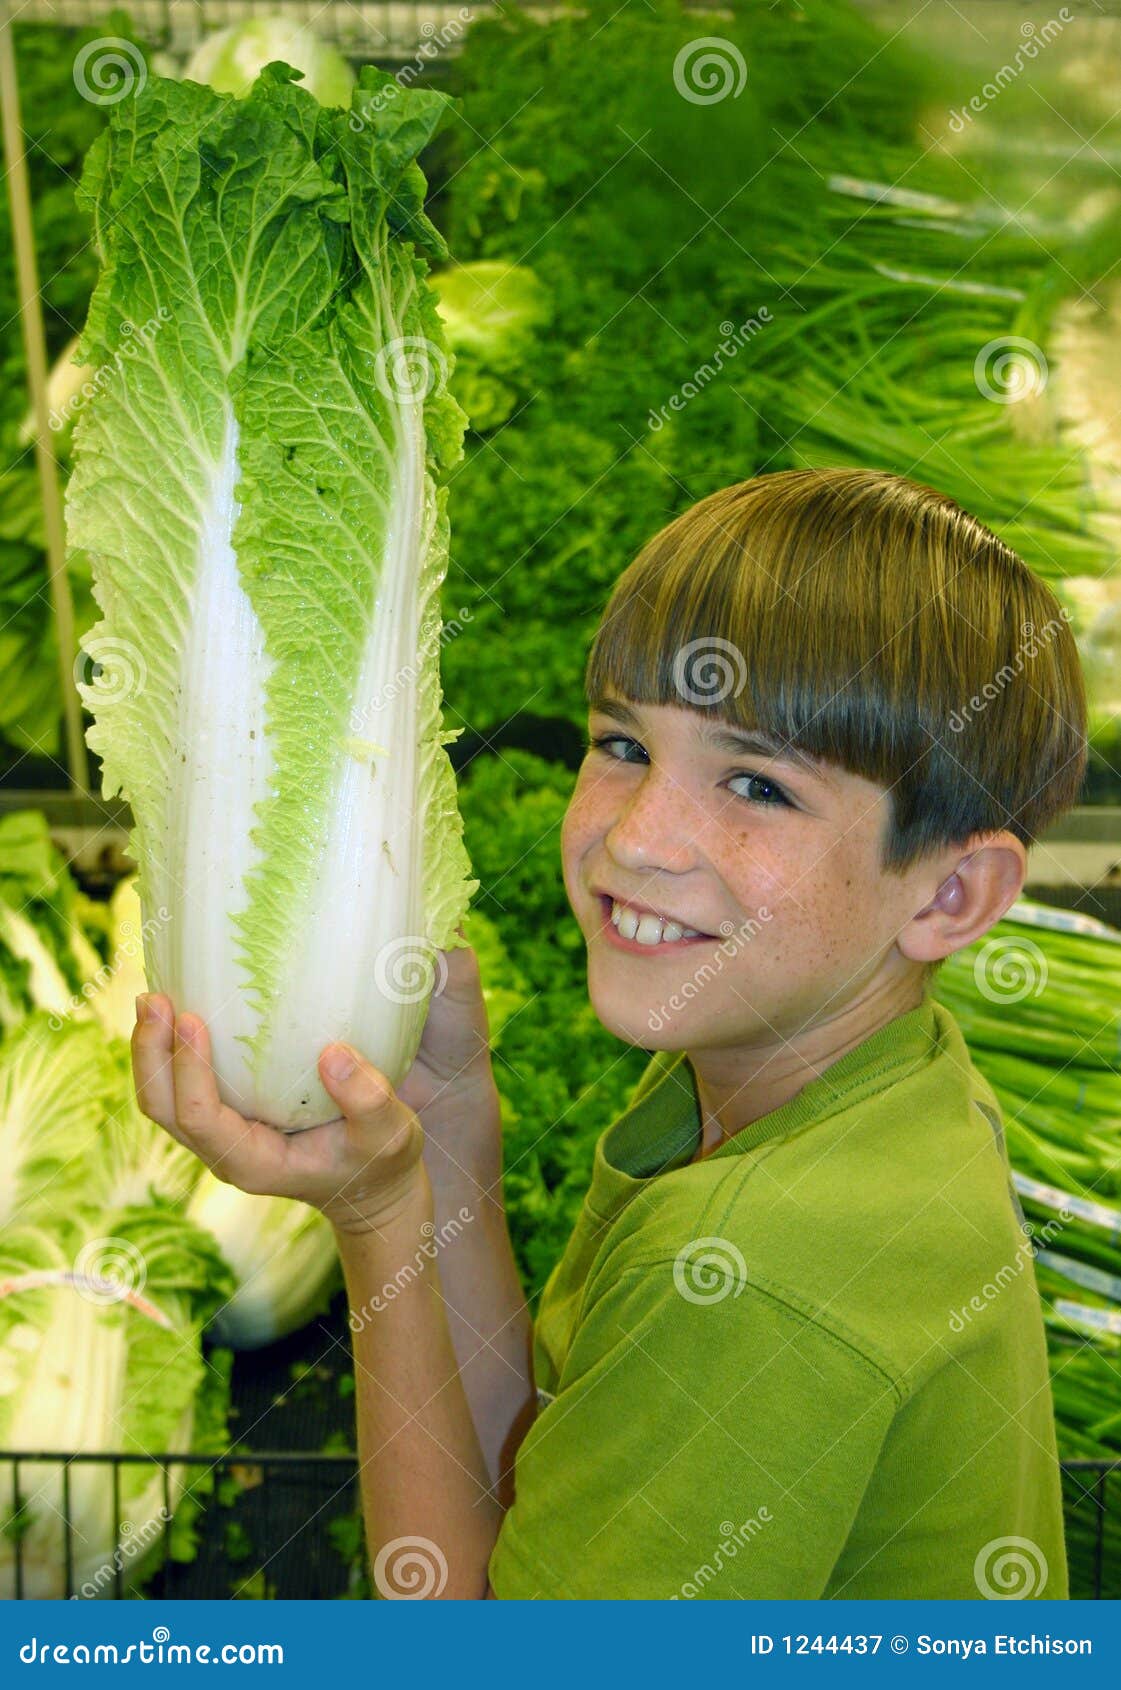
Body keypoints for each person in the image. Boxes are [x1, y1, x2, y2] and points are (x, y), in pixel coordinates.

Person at [133, 467, 1079, 1600]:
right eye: (622, 744)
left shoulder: (762, 1267)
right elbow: (526, 1469)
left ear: (949, 895)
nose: (636, 838)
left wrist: (374, 1218)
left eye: (755, 785)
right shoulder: (833, 1084)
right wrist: (442, 1133)